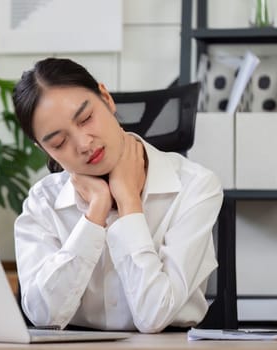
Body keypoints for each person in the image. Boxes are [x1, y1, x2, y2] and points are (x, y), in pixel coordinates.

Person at [12, 57, 223, 333]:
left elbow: (154, 316)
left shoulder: (194, 186)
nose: (84, 144)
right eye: (59, 142)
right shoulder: (43, 202)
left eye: (86, 118)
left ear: (106, 98)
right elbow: (44, 316)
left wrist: (128, 203)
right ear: (45, 150)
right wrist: (95, 213)